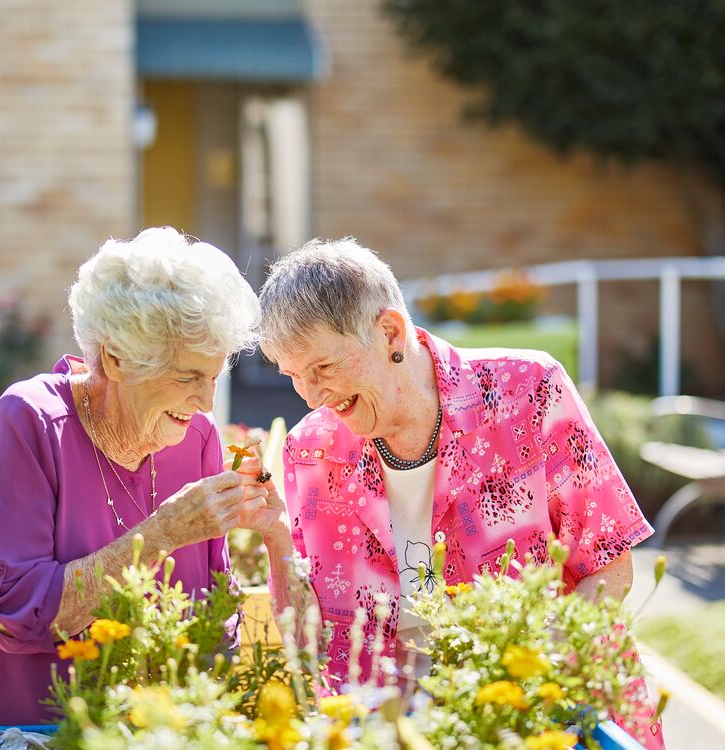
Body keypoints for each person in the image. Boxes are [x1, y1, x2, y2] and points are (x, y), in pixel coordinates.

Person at [0, 228, 299, 746]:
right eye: (188, 376)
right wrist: (162, 535)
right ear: (116, 359)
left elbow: (213, 612)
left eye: (214, 378)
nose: (205, 403)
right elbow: (14, 615)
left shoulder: (195, 439)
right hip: (28, 730)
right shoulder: (29, 424)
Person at [258, 238, 652, 703]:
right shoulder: (310, 451)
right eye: (292, 375)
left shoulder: (527, 393)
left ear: (389, 333)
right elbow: (308, 641)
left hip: (539, 710)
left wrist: (530, 686)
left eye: (323, 366)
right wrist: (274, 537)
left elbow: (609, 567)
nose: (310, 395)